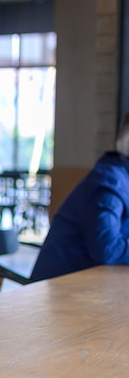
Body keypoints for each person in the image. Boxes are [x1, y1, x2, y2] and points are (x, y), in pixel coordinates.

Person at [30, 112, 129, 281]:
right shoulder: (110, 183)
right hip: (57, 291)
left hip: (87, 285)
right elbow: (107, 250)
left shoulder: (119, 176)